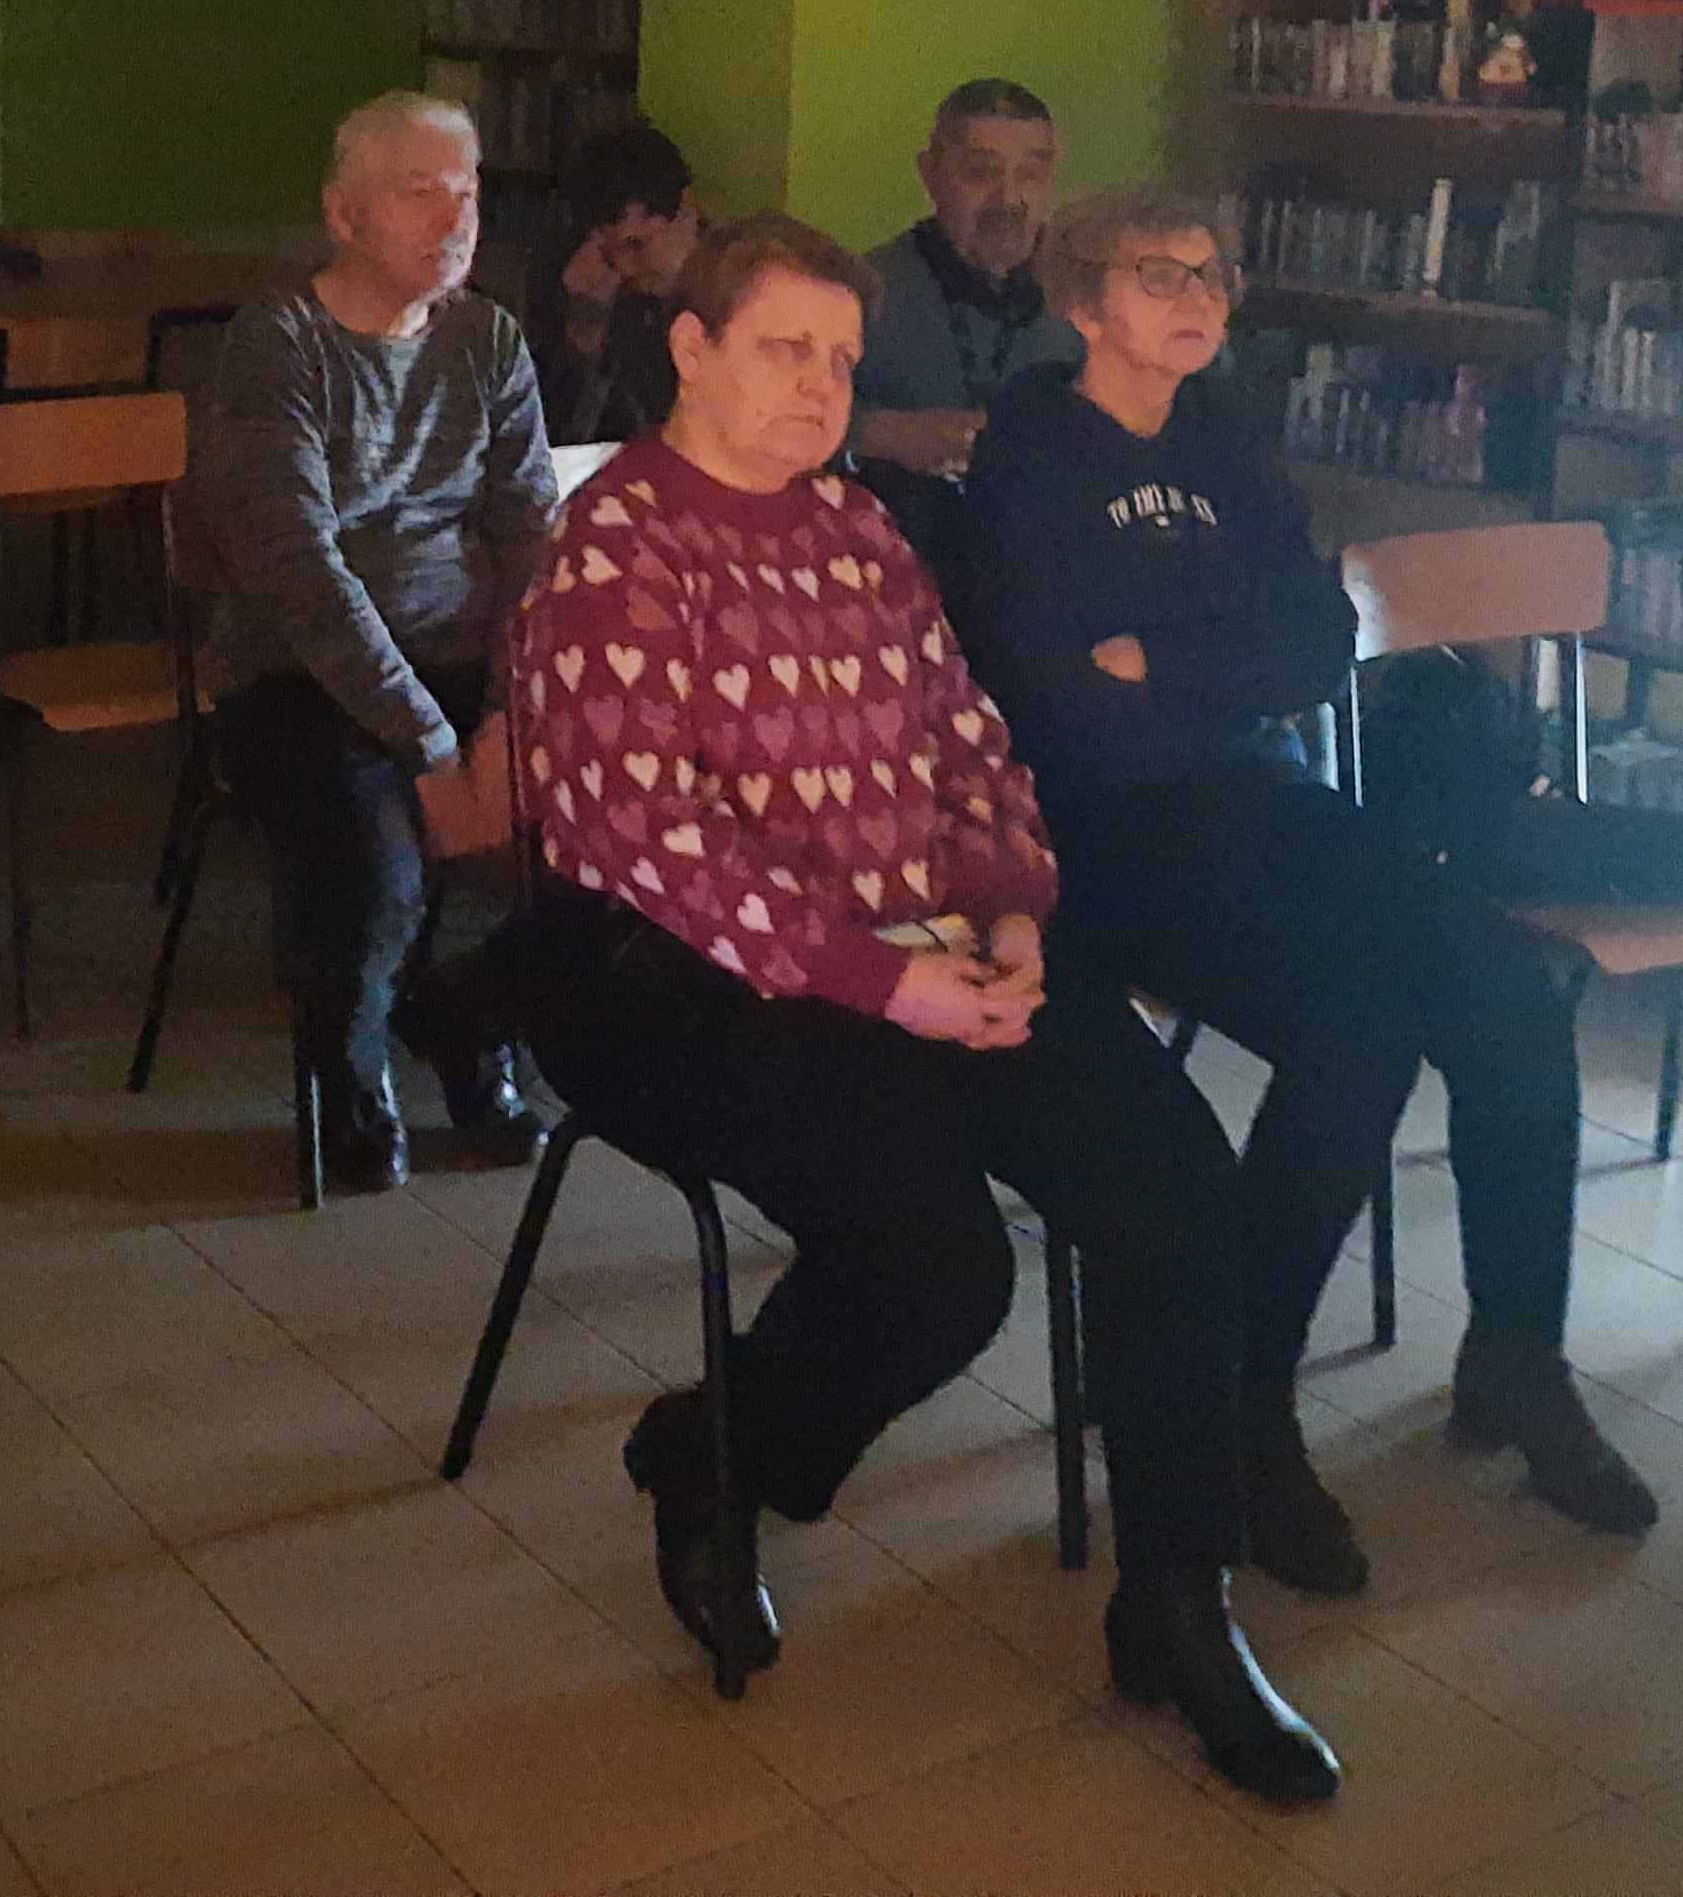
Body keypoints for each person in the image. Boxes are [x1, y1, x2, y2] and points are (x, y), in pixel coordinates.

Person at [508, 212, 1335, 1804]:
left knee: (1174, 1180)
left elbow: (971, 745)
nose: (820, 387)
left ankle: (1179, 1600)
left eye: (839, 358)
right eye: (783, 350)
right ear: (693, 349)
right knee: (938, 1263)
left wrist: (1013, 906)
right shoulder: (614, 547)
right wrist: (888, 980)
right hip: (669, 978)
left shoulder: (862, 532)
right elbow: (644, 839)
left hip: (921, 943)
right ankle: (717, 1454)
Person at [948, 180, 1653, 1595]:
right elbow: (1055, 696)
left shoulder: (1224, 433)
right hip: (1099, 831)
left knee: (1510, 987)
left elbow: (1316, 642)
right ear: (1084, 303)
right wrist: (1213, 663)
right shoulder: (1026, 458)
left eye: (1211, 271)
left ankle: (1516, 1357)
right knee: (1356, 1031)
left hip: (1255, 793)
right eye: (1157, 273)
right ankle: (1241, 1409)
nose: (1196, 296)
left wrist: (1163, 656)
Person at [198, 93, 557, 1192]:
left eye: (468, 194)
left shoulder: (487, 337)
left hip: (464, 669)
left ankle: (461, 1019)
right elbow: (298, 575)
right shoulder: (278, 345)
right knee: (375, 866)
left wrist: (510, 709)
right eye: (420, 193)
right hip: (299, 679)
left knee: (612, 835)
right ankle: (351, 1074)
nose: (455, 220)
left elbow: (528, 533)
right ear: (344, 214)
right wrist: (432, 745)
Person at [850, 80, 1078, 570]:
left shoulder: (1090, 299)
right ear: (931, 175)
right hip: (890, 569)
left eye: (1032, 174)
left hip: (1050, 567)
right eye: (981, 172)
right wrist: (883, 433)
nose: (1008, 198)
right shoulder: (862, 292)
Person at [530, 120, 703, 448]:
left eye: (636, 245)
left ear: (688, 213)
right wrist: (585, 330)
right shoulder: (601, 294)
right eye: (609, 253)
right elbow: (559, 447)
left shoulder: (741, 297)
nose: (623, 267)